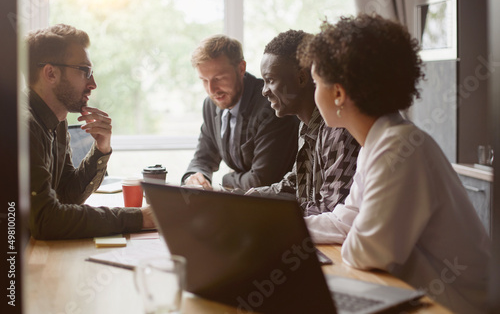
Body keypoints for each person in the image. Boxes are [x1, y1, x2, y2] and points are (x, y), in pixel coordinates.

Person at [298, 14, 491, 313]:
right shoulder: (380, 141)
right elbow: (345, 219)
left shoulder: (398, 149)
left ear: (338, 92)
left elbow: (367, 251)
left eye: (315, 83)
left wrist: (352, 232)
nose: (313, 92)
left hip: (458, 306)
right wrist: (285, 230)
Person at [27, 24, 155, 240]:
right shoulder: (23, 127)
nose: (93, 84)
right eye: (84, 71)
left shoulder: (57, 122)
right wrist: (139, 218)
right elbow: (46, 220)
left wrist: (100, 149)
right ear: (51, 73)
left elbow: (67, 196)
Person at [250, 30, 360, 217]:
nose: (264, 91)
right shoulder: (306, 126)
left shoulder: (339, 131)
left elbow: (330, 208)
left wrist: (267, 213)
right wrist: (249, 198)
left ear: (301, 78)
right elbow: (295, 183)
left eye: (270, 80)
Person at [182, 35, 299, 191]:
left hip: (277, 203)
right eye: (204, 80)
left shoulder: (271, 106)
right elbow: (203, 158)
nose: (211, 90)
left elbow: (261, 180)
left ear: (241, 68)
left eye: (219, 78)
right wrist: (194, 177)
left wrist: (226, 178)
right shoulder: (211, 105)